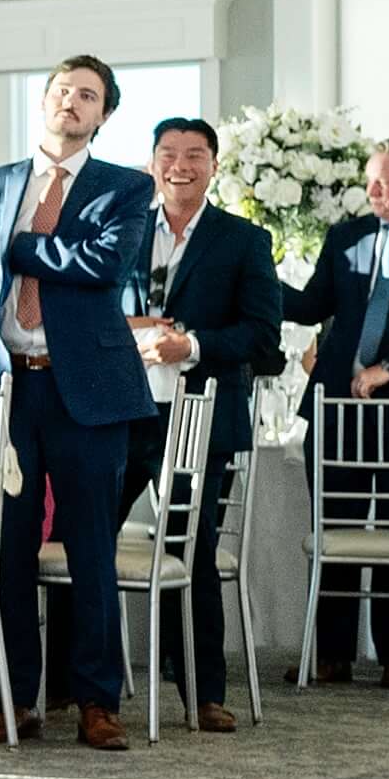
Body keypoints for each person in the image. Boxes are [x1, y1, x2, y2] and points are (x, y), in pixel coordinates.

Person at [0, 56, 162, 756]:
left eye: (88, 96)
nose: (73, 102)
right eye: (63, 91)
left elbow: (103, 266)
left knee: (91, 551)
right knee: (7, 552)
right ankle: (11, 700)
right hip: (6, 389)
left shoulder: (125, 187)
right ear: (43, 102)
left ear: (103, 114)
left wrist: (18, 247)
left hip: (89, 396)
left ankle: (97, 703)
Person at [286, 132, 389, 678]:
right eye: (370, 178)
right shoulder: (346, 235)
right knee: (334, 524)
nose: (371, 189)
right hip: (336, 406)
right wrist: (255, 276)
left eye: (383, 180)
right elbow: (313, 305)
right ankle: (332, 655)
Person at [134, 124, 282, 731]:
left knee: (189, 549)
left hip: (201, 415)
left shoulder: (243, 240)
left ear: (214, 166)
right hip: (120, 411)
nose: (180, 166)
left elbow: (264, 339)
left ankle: (204, 693)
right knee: (82, 540)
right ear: (151, 164)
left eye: (195, 155)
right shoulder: (126, 230)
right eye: (168, 155)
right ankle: (79, 695)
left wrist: (190, 345)